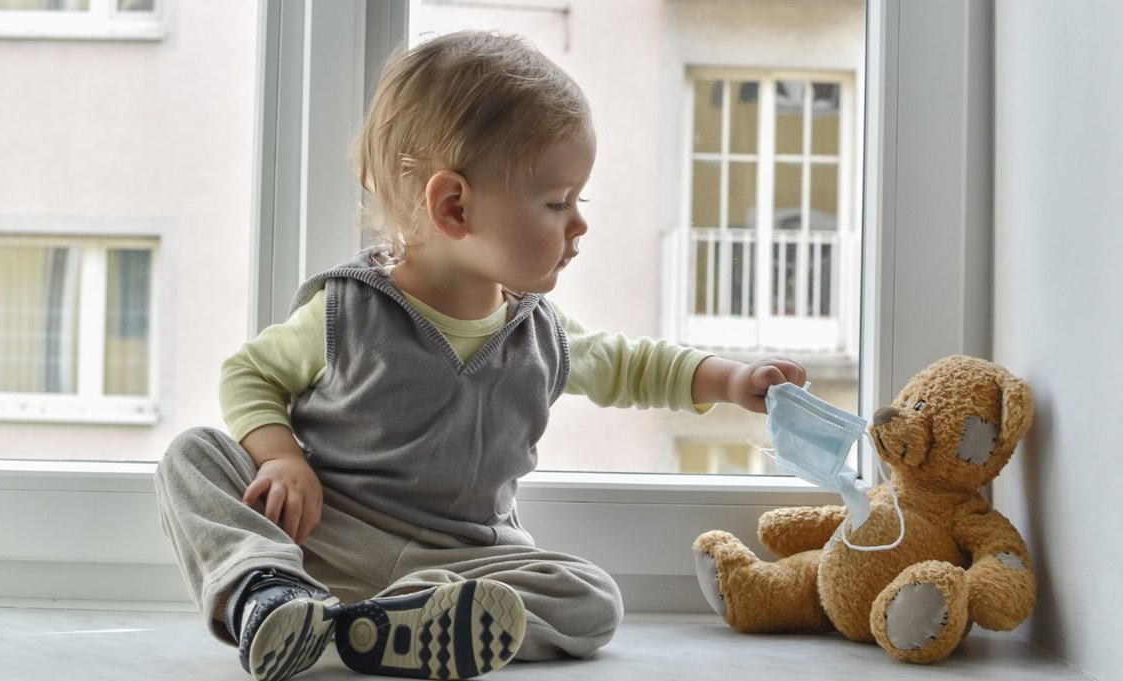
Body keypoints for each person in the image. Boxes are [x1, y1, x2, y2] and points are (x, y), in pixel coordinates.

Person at [154, 29, 806, 681]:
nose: (578, 223)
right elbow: (249, 374)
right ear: (453, 205)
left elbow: (630, 364)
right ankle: (265, 594)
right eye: (557, 202)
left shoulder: (537, 330)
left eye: (578, 200)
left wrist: (732, 378)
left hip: (466, 559)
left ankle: (390, 623)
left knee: (591, 598)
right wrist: (282, 457)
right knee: (194, 456)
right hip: (329, 529)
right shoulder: (347, 311)